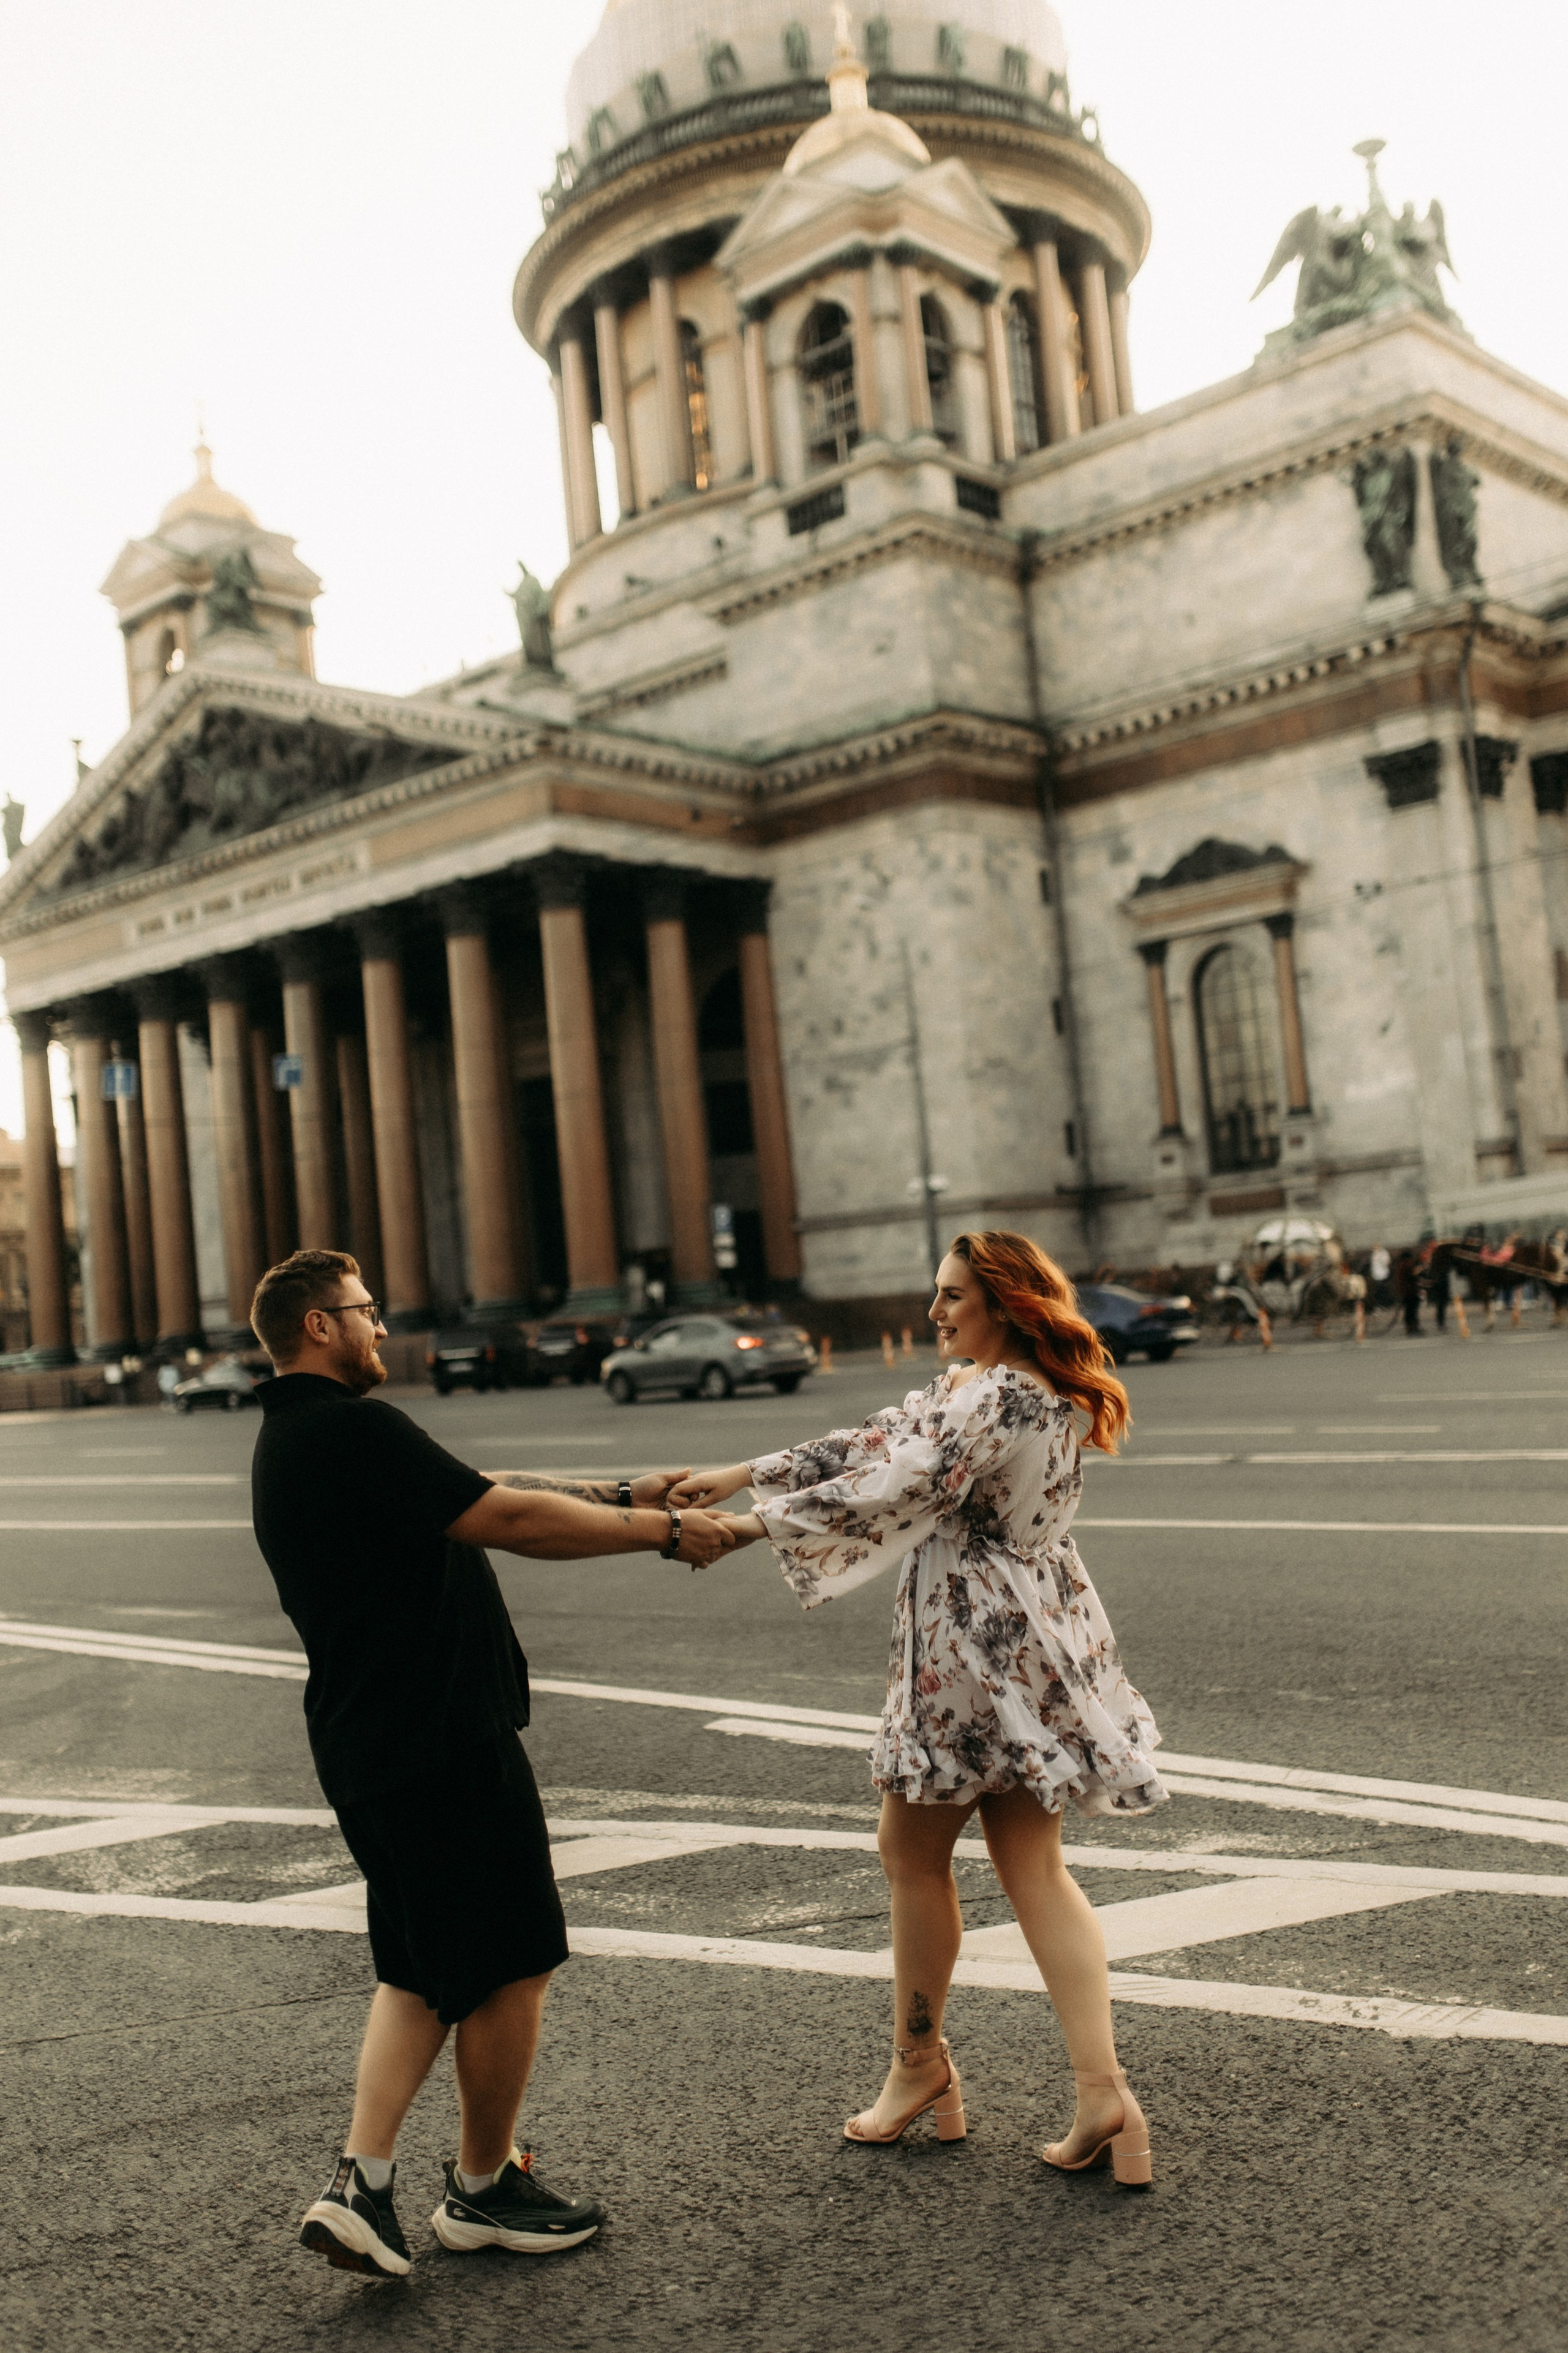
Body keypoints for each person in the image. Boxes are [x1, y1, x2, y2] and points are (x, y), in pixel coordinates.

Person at [248, 1249, 737, 2278]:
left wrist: (615, 1486)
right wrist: (661, 1530)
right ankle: (482, 2187)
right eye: (365, 1310)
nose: (381, 1325)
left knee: (422, 1967)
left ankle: (363, 2184)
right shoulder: (351, 1428)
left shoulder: (297, 1438)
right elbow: (504, 1518)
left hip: (370, 1741)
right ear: (320, 1326)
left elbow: (478, 1488)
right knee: (515, 1958)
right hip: (442, 1740)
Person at [676, 1229, 1165, 2186]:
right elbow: (876, 1441)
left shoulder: (986, 1395)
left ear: (1007, 1303)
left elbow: (896, 1482)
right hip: (1042, 1638)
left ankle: (919, 2067)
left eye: (952, 1297)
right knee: (1032, 1864)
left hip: (968, 1644)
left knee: (910, 1854)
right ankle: (1102, 2090)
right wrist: (746, 1471)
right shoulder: (1035, 1391)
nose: (935, 1312)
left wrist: (745, 1525)